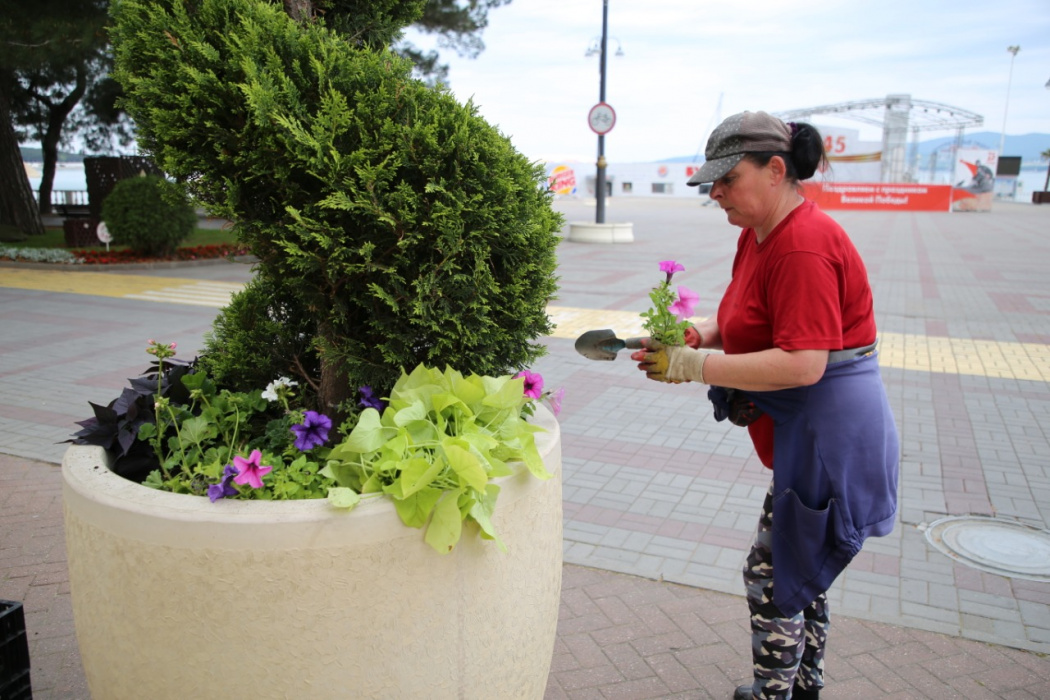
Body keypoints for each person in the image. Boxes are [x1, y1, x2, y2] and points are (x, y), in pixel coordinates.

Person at [631, 111, 900, 700]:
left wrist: (693, 366)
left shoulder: (804, 245)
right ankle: (803, 687)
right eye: (712, 182)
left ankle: (774, 695)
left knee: (773, 575)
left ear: (776, 170)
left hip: (830, 439)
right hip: (809, 433)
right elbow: (740, 320)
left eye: (728, 177)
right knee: (801, 570)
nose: (717, 192)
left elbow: (804, 361)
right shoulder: (758, 236)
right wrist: (697, 337)